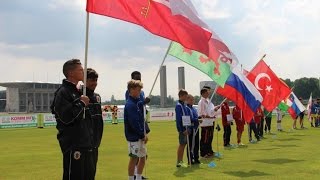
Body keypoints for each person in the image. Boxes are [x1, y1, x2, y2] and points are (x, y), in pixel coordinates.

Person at [51, 59, 95, 180]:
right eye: (80, 70)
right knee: (74, 176)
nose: (83, 72)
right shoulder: (63, 92)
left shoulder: (79, 91)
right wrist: (81, 103)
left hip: (85, 143)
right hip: (73, 144)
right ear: (71, 73)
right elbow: (66, 118)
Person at [125, 71, 150, 179]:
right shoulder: (130, 104)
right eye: (138, 90)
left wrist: (144, 102)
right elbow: (134, 123)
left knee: (143, 157)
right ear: (132, 90)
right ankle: (132, 178)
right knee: (134, 158)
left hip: (140, 135)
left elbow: (140, 105)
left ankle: (139, 177)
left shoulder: (136, 102)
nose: (140, 92)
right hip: (134, 137)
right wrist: (142, 135)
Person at [86, 68, 104, 176]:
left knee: (92, 172)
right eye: (92, 80)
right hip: (85, 143)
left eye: (96, 80)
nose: (95, 83)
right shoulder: (80, 96)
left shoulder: (97, 97)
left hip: (96, 142)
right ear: (85, 80)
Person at [198, 88, 217, 158]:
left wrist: (215, 110)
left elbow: (211, 111)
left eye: (208, 92)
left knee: (209, 137)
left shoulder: (208, 101)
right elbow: (201, 112)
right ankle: (203, 153)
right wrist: (208, 116)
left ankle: (209, 151)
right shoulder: (201, 102)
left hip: (210, 122)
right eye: (207, 92)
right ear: (203, 93)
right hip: (205, 123)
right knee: (205, 138)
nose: (208, 94)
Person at [175, 89, 190, 167]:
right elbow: (179, 119)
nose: (186, 97)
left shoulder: (184, 105)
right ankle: (179, 162)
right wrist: (182, 129)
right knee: (182, 144)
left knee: (184, 145)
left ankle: (181, 161)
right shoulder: (178, 105)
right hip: (183, 129)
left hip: (186, 127)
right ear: (181, 96)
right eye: (185, 96)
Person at [185, 94, 200, 164]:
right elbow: (189, 119)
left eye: (193, 99)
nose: (192, 101)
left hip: (196, 128)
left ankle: (196, 158)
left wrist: (199, 118)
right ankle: (190, 159)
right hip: (191, 128)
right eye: (191, 100)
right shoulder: (187, 108)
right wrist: (197, 120)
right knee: (191, 144)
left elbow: (196, 116)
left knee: (196, 144)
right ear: (187, 100)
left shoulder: (194, 108)